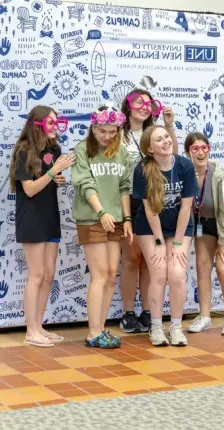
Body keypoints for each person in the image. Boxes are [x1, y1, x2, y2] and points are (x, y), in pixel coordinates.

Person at [9, 105, 75, 347]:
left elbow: (47, 181)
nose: (54, 127)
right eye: (50, 122)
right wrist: (54, 171)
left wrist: (57, 177)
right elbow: (29, 189)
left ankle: (39, 325)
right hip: (32, 218)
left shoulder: (53, 148)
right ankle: (30, 330)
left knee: (48, 275)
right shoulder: (24, 151)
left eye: (56, 122)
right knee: (36, 275)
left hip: (50, 216)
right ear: (37, 124)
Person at [71, 105, 133, 349]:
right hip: (92, 218)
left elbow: (124, 187)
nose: (107, 136)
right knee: (99, 276)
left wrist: (126, 219)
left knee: (109, 276)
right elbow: (85, 184)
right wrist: (101, 211)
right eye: (103, 131)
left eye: (113, 131)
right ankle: (92, 332)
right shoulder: (83, 150)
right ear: (93, 128)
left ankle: (100, 328)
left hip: (115, 219)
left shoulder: (121, 153)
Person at [119, 89, 178, 334]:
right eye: (138, 102)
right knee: (132, 259)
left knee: (149, 262)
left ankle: (147, 311)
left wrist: (169, 125)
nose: (144, 107)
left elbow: (172, 155)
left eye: (148, 103)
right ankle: (128, 312)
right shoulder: (118, 135)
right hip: (130, 202)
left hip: (155, 203)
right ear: (128, 106)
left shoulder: (154, 133)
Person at [133, 125, 198, 347]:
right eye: (159, 140)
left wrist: (178, 242)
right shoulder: (142, 169)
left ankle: (177, 327)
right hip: (150, 228)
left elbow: (186, 208)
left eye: (167, 137)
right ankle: (157, 327)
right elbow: (150, 210)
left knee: (177, 274)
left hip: (179, 226)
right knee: (159, 273)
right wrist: (160, 241)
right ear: (150, 149)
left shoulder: (185, 166)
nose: (166, 141)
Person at [184, 133, 224, 336]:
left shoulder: (219, 175)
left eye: (204, 148)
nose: (201, 152)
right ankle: (205, 316)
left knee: (223, 269)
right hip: (203, 225)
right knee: (202, 268)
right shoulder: (187, 174)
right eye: (195, 148)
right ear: (188, 152)